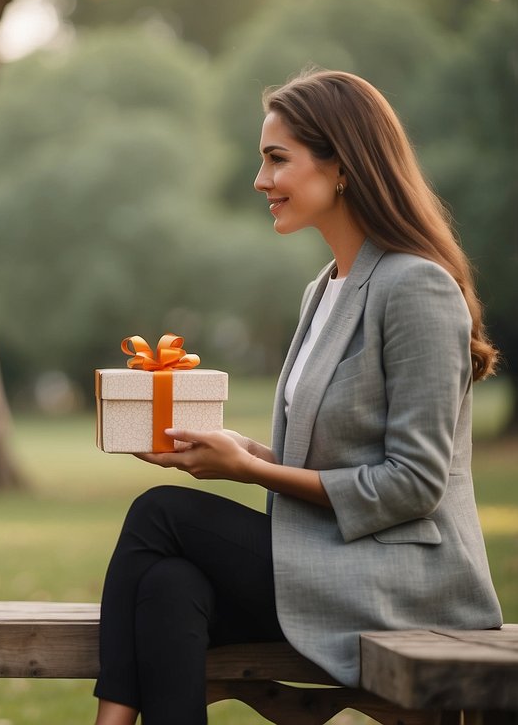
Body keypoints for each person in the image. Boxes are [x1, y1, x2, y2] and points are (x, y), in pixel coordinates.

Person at [93, 69, 503, 724]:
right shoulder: (326, 289)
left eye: (275, 159)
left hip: (407, 584)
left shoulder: (414, 288)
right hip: (329, 561)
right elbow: (321, 461)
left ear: (340, 165)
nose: (260, 181)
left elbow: (413, 484)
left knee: (159, 514)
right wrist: (236, 450)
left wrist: (248, 468)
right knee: (169, 587)